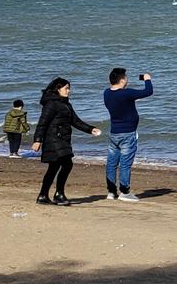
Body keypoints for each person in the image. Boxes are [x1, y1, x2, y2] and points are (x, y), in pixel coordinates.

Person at [35, 77, 100, 205]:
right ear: (58, 89)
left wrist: (90, 129)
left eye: (69, 88)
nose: (69, 91)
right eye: (66, 88)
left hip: (62, 139)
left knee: (54, 167)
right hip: (53, 139)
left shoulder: (66, 104)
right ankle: (58, 194)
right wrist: (37, 140)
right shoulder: (51, 104)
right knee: (66, 164)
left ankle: (44, 195)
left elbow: (75, 121)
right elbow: (42, 123)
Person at [101, 67, 154, 202]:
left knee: (112, 163)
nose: (127, 79)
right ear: (122, 79)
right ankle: (124, 192)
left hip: (114, 133)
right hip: (127, 134)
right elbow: (148, 91)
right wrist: (147, 79)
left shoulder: (107, 93)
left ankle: (111, 192)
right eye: (126, 77)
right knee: (125, 163)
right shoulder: (125, 94)